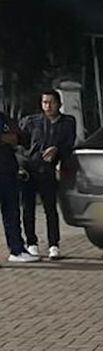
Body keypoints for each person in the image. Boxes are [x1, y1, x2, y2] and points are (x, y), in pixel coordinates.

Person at [20, 90, 76, 260]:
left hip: (49, 170)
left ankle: (53, 244)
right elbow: (21, 142)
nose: (48, 106)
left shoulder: (67, 122)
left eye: (51, 102)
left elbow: (69, 144)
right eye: (45, 102)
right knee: (28, 209)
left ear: (59, 104)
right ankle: (31, 243)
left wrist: (57, 150)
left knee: (50, 209)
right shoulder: (32, 122)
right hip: (30, 169)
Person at [0, 110, 36, 263]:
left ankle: (17, 249)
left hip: (7, 171)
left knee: (12, 212)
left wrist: (9, 138)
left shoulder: (3, 117)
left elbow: (19, 137)